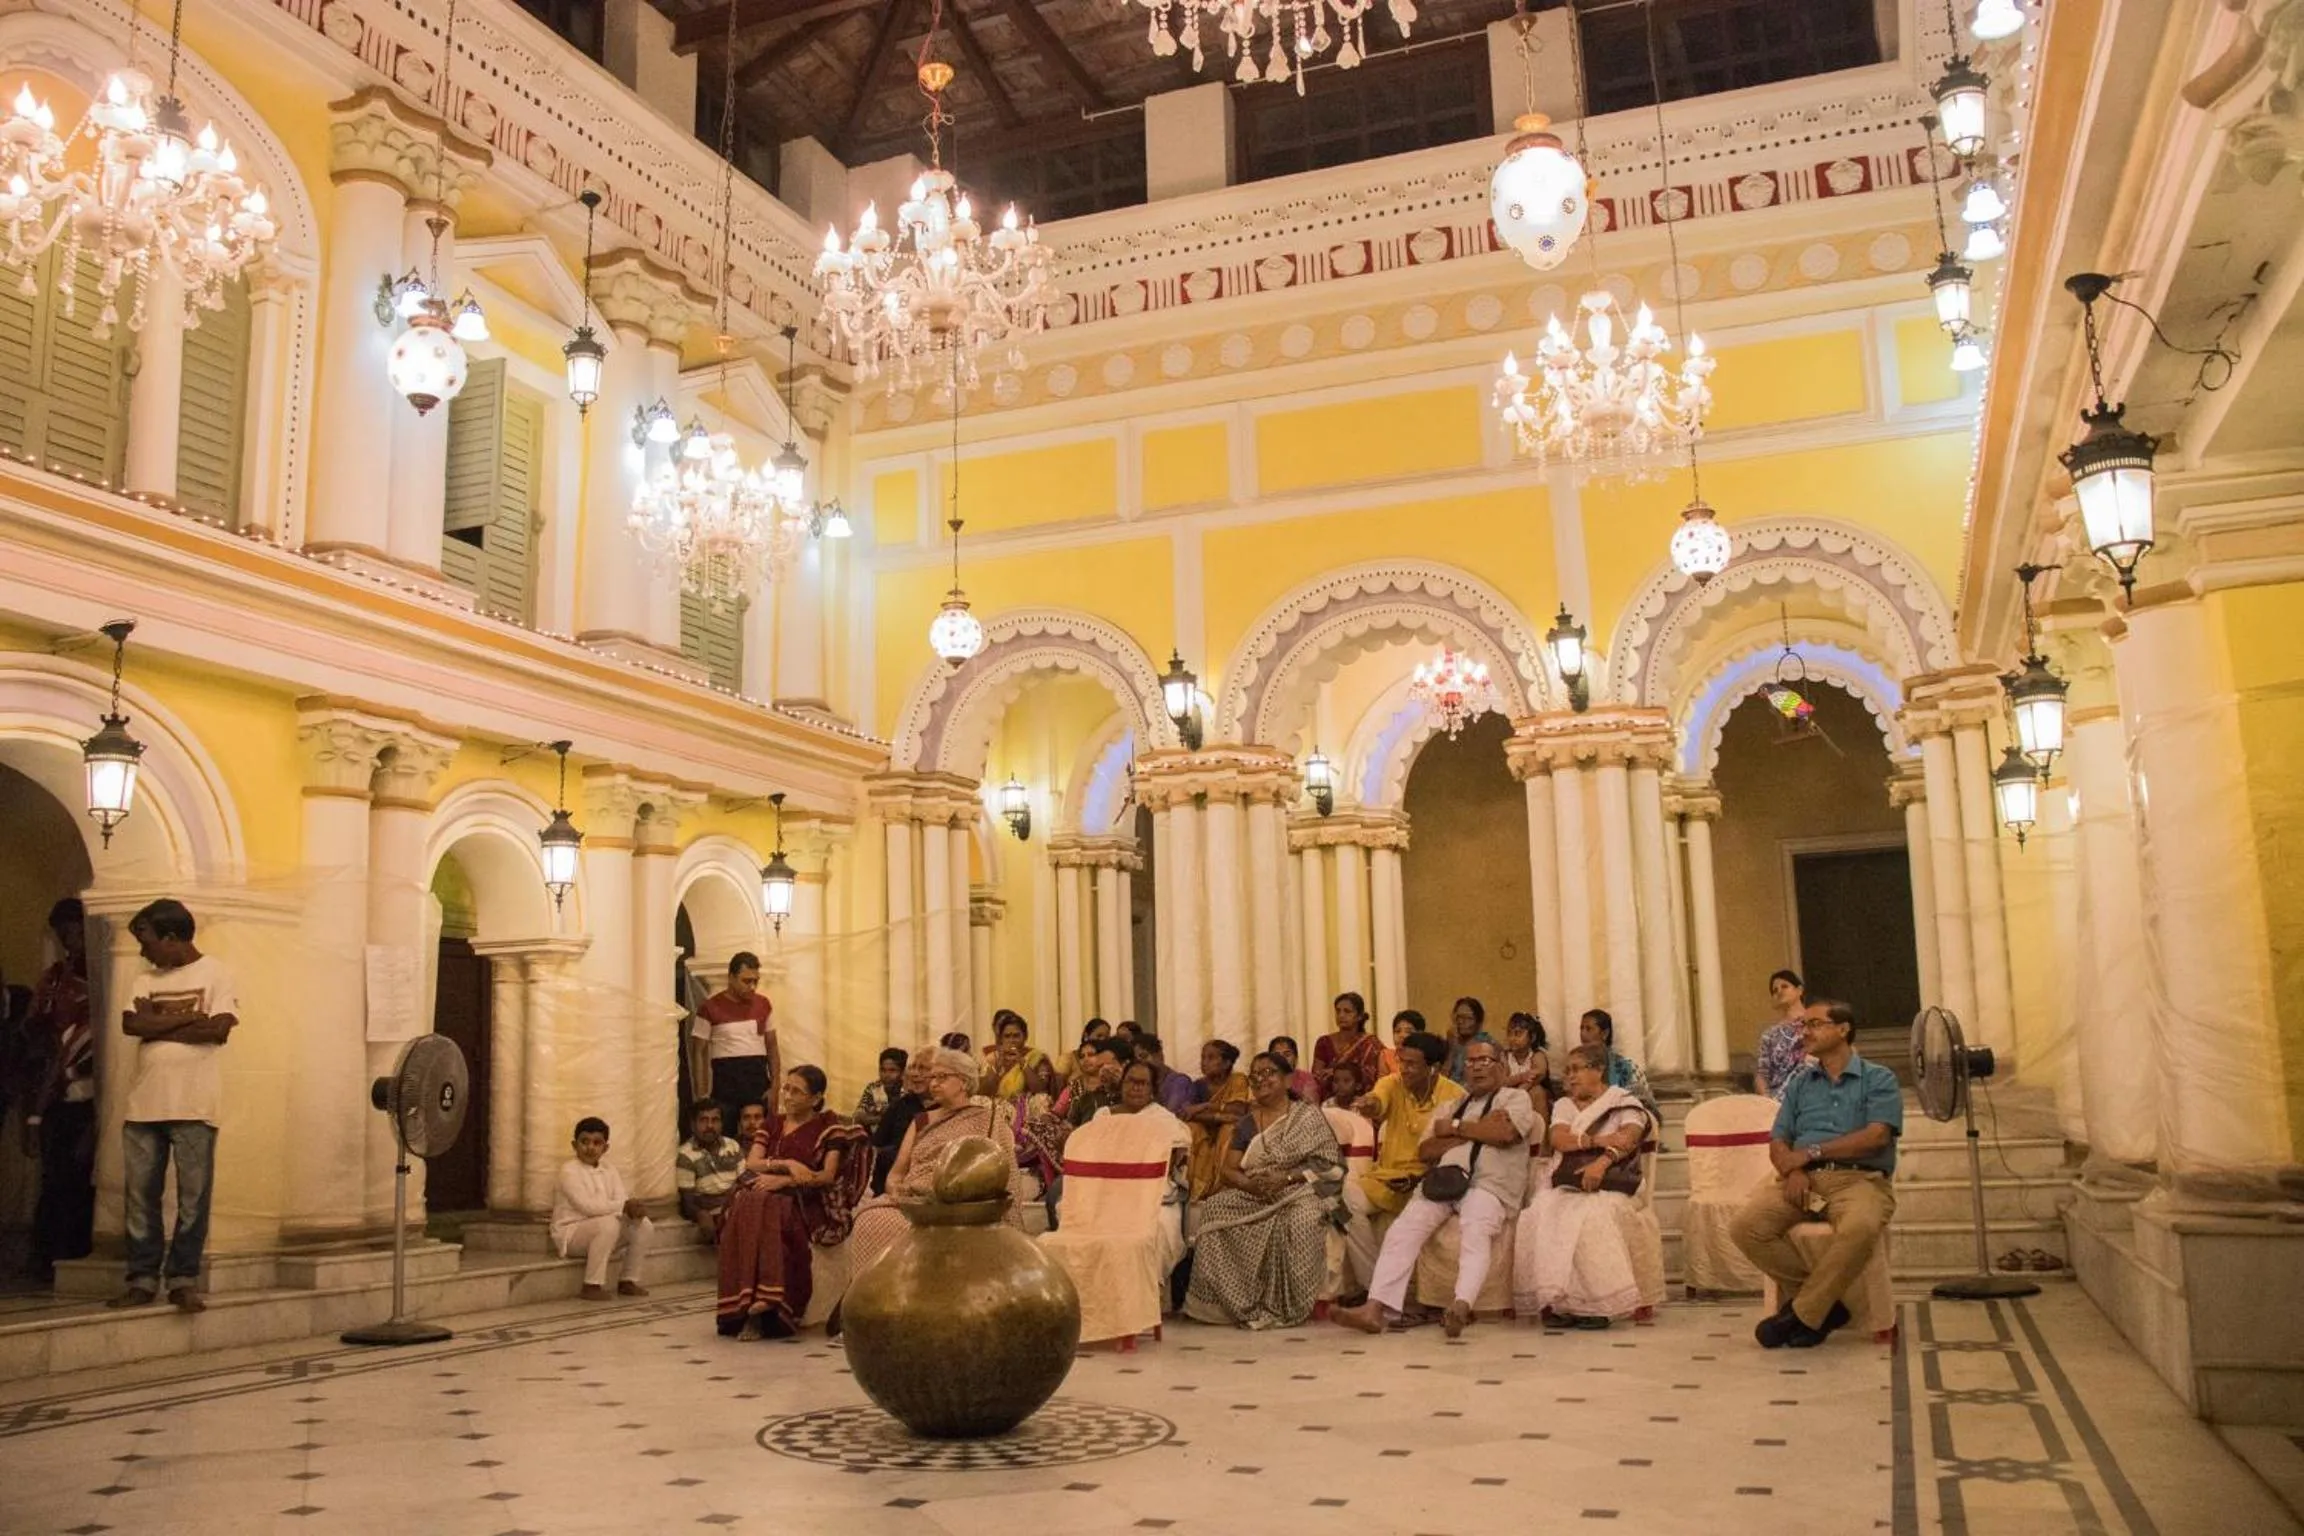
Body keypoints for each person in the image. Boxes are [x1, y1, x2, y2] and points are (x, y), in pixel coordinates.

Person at [1334, 1035, 1533, 1338]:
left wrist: (1453, 1129)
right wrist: (1481, 1130)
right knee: (1403, 1231)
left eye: (1484, 1061)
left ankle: (1461, 1307)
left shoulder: (1515, 1099)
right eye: (1470, 1061)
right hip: (1444, 1183)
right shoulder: (1453, 1104)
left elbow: (1506, 1133)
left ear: (1501, 1066)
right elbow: (1425, 1151)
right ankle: (1374, 1309)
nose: (1476, 1067)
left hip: (1489, 1186)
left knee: (1475, 1230)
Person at [1730, 1000, 1903, 1349]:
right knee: (1746, 1227)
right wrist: (1794, 1171)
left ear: (1843, 1029)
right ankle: (1825, 1307)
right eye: (1804, 1025)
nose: (1805, 1031)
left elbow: (1876, 1137)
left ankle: (1804, 1312)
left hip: (1856, 1183)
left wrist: (1811, 1153)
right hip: (1807, 1186)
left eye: (1815, 1024)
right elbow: (1779, 1140)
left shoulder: (1878, 1078)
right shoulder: (1800, 1084)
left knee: (1859, 1227)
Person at [111, 900, 238, 1312]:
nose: (142, 950)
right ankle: (142, 1278)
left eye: (145, 940)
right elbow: (132, 1025)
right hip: (143, 1105)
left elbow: (218, 1030)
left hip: (196, 1106)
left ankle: (183, 1278)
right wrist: (189, 1020)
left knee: (192, 1198)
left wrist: (158, 1023)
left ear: (171, 938)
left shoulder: (217, 973)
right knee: (139, 1198)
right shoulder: (143, 977)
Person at [1184, 1051, 1346, 1329]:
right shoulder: (1247, 1121)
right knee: (1214, 1208)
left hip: (1300, 1189)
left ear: (1288, 1080)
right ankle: (1228, 1304)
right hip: (1256, 1191)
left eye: (1269, 1072)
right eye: (1255, 1074)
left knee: (1303, 1219)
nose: (1260, 1079)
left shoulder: (1307, 1117)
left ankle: (1288, 1305)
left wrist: (1286, 1178)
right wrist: (1252, 1185)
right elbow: (1230, 1169)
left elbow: (1330, 1166)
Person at [716, 1065, 870, 1338]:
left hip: (806, 1200)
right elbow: (752, 1162)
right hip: (765, 1191)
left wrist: (786, 1182)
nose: (788, 1096)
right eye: (786, 1088)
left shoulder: (829, 1128)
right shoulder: (773, 1123)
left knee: (769, 1205)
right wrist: (786, 1164)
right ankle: (749, 1300)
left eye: (797, 1091)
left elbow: (825, 1176)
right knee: (749, 1201)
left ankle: (768, 1297)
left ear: (816, 1097)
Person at [846, 1047, 1023, 1283]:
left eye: (942, 1077)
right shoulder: (922, 1120)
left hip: (960, 1204)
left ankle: (924, 1300)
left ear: (963, 1081)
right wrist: (897, 1191)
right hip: (915, 1199)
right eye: (933, 1078)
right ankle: (873, 1304)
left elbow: (1004, 1171)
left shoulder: (988, 1119)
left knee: (905, 1227)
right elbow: (896, 1174)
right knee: (870, 1219)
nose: (934, 1084)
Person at [1514, 1044, 1661, 1329]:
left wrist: (1600, 1163)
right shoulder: (1565, 1105)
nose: (1569, 1077)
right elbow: (1558, 1140)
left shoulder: (1623, 1100)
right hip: (1569, 1182)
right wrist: (1597, 1141)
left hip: (1615, 1183)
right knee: (1541, 1211)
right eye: (1566, 1071)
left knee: (1593, 1216)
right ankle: (1560, 1302)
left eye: (1576, 1069)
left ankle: (1598, 1306)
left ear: (1598, 1070)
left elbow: (1628, 1139)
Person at [1338, 1027, 1463, 1299]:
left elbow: (1456, 1148)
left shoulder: (1454, 1096)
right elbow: (1376, 1101)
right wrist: (1369, 1104)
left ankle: (1383, 1293)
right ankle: (1377, 1288)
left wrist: (1420, 1179)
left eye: (1411, 1065)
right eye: (1401, 1062)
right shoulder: (1392, 1083)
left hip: (1427, 1183)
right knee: (1340, 1200)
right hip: (1385, 1180)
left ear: (1433, 1068)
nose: (1404, 1070)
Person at [24, 898, 94, 1281]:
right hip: (56, 1088)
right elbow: (36, 1030)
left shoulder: (105, 975)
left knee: (85, 1176)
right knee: (55, 1177)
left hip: (94, 1092)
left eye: (76, 929)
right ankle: (46, 1255)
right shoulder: (53, 979)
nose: (70, 938)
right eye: (63, 932)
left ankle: (78, 1249)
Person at [1092, 1058, 1192, 1299]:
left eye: (1143, 1083)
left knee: (1159, 1227)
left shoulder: (1163, 1119)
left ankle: (1140, 1299)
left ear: (1152, 1090)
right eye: (1131, 1081)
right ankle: (1104, 1298)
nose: (1136, 1088)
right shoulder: (1104, 1115)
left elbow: (1173, 1162)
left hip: (1155, 1196)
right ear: (1121, 1084)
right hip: (1107, 1192)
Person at [550, 1116, 654, 1301]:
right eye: (585, 1142)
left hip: (602, 1230)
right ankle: (591, 1285)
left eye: (597, 1143)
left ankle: (628, 1281)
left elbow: (621, 1198)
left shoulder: (609, 1169)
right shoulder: (569, 1170)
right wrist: (623, 1206)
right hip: (572, 1233)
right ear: (574, 1145)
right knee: (609, 1224)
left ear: (605, 1148)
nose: (590, 1147)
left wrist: (632, 1209)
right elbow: (587, 1207)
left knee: (644, 1224)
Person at [688, 953, 777, 1133]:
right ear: (731, 978)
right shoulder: (709, 1007)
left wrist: (775, 1086)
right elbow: (699, 1051)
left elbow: (772, 1046)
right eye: (746, 981)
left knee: (760, 1136)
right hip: (725, 1086)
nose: (752, 987)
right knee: (724, 1136)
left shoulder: (764, 1004)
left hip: (757, 1083)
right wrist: (701, 1094)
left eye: (755, 981)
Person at [1182, 1040, 1252, 1201]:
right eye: (1203, 1058)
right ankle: (1195, 1188)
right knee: (1192, 1128)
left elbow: (1238, 1110)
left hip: (1229, 1137)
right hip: (1206, 1134)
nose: (1204, 1063)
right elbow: (1188, 1114)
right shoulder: (1198, 1085)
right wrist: (1219, 1115)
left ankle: (1223, 1187)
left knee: (1229, 1128)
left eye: (1211, 1058)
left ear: (1227, 1063)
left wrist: (1205, 1106)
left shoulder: (1237, 1080)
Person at [675, 1100, 745, 1244]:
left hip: (738, 1209)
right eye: (703, 1120)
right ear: (693, 1125)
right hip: (715, 1215)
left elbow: (743, 1182)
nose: (710, 1126)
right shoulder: (686, 1155)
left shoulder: (732, 1146)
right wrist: (702, 1213)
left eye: (715, 1120)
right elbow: (688, 1203)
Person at [868, 1053, 931, 1196]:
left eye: (923, 1069)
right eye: (913, 1068)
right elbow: (878, 1142)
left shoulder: (946, 1109)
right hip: (894, 1180)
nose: (915, 1074)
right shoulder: (901, 1104)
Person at [1579, 1009, 1659, 1119]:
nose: (1582, 1034)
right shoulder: (1577, 1069)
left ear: (1605, 1033)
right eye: (1581, 1028)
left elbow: (1647, 1108)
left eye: (1588, 1029)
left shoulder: (1627, 1068)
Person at [1312, 992, 1383, 1102]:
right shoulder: (1324, 1042)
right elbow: (1317, 1076)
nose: (1341, 1015)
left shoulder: (1370, 1043)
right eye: (1338, 1011)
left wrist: (1337, 1072)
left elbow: (1378, 1076)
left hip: (1361, 1104)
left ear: (1359, 1016)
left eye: (1347, 1011)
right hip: (1330, 1104)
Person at [1754, 969, 1809, 1100]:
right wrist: (1767, 1100)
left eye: (1785, 986)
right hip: (1779, 1101)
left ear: (1799, 990)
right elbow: (1762, 1073)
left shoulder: (1816, 1023)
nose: (1779, 991)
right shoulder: (1770, 1034)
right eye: (1775, 990)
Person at [1060, 1036, 1132, 1127]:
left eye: (1107, 1065)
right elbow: (1069, 1128)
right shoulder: (1086, 1099)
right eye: (1100, 1066)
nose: (1102, 1071)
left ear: (1124, 1065)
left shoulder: (1137, 1097)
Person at [987, 1011, 1047, 1102]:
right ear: (1001, 1039)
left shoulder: (1036, 1058)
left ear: (1025, 1037)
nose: (1012, 1040)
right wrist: (998, 1067)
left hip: (1025, 1109)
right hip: (999, 1110)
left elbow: (1040, 1091)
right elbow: (983, 1092)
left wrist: (1022, 1063)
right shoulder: (994, 1059)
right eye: (1007, 1036)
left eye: (1016, 1036)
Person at [854, 1047, 908, 1134]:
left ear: (902, 1073)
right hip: (874, 1139)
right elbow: (858, 1116)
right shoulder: (873, 1088)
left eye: (892, 1070)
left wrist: (874, 1117)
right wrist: (883, 1119)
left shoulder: (908, 1091)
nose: (886, 1075)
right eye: (883, 1070)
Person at [1140, 1034, 1194, 1116]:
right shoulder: (1141, 1082)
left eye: (1143, 1056)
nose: (1140, 1063)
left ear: (1159, 1054)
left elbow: (1168, 1115)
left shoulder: (1179, 1081)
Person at [1501, 1012, 1549, 1097]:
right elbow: (1503, 1082)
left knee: (1537, 1090)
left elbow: (1537, 1074)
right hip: (1508, 1096)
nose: (1512, 1038)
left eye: (1518, 1034)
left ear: (1532, 1037)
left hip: (1530, 1096)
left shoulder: (1537, 1055)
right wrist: (1521, 1077)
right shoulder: (1505, 1056)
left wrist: (1519, 1092)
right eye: (1509, 1033)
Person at [1442, 997, 1486, 1082]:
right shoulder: (1448, 1044)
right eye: (1459, 1017)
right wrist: (1451, 1049)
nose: (1462, 1022)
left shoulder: (1486, 1046)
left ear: (1478, 1022)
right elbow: (1441, 1080)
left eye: (1469, 1018)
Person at [1267, 1035, 1318, 1102]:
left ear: (1296, 1058)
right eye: (1277, 1055)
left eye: (1287, 1055)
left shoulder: (1306, 1078)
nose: (1282, 1058)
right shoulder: (1265, 1079)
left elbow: (1311, 1104)